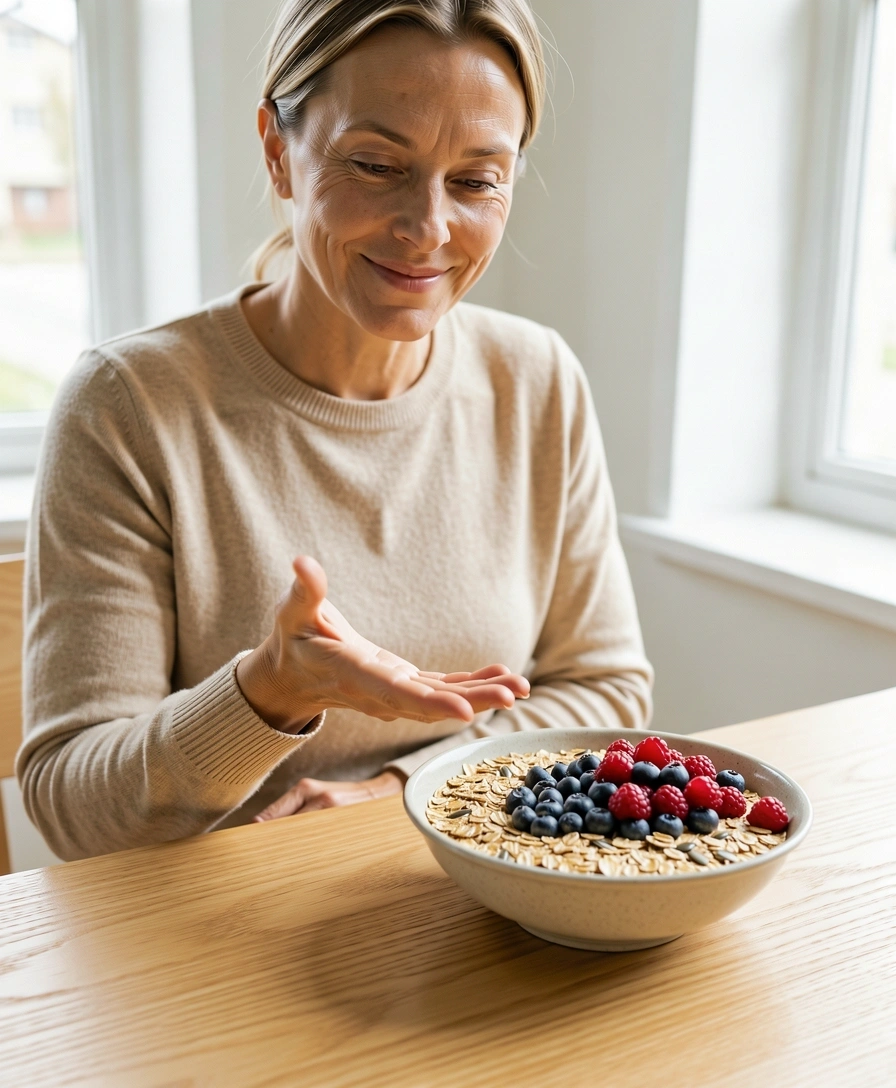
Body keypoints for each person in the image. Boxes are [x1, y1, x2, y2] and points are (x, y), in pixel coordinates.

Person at [17, 0, 653, 862]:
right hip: (209, 938)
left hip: (459, 900)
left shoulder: (535, 379)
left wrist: (401, 792)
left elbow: (605, 691)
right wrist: (263, 696)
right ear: (279, 153)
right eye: (376, 164)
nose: (428, 228)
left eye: (475, 181)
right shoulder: (129, 406)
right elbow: (72, 806)